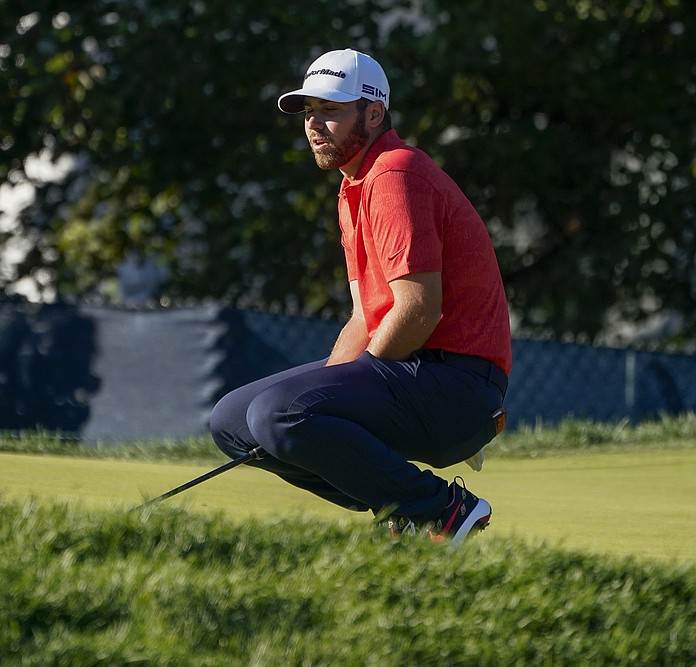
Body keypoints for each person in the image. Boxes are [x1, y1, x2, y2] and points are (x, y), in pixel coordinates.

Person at [209, 49, 512, 545]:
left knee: (278, 414)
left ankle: (443, 510)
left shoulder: (395, 173)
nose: (314, 125)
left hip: (458, 386)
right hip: (421, 375)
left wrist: (322, 407)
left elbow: (417, 309)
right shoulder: (355, 187)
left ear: (374, 113)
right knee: (233, 421)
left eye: (330, 110)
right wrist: (329, 398)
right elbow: (363, 318)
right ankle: (403, 509)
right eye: (308, 112)